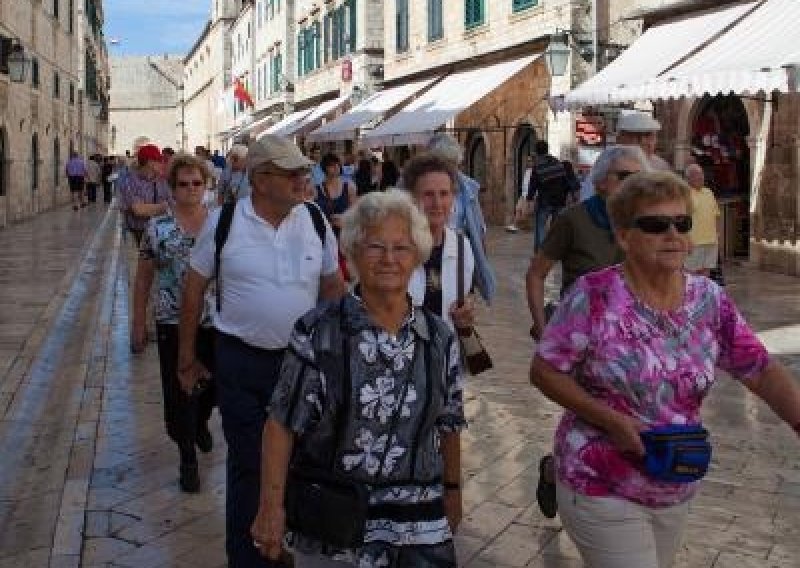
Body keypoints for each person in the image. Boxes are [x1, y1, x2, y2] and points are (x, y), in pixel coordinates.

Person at [530, 170, 800, 568]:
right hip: (600, 478)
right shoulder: (595, 295)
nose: (672, 234)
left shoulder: (708, 300)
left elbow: (759, 369)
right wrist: (611, 421)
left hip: (674, 479)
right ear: (624, 237)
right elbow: (544, 371)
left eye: (681, 223)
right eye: (656, 225)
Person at [251, 189, 466, 567]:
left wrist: (453, 489)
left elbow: (449, 423)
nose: (388, 259)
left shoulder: (439, 337)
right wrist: (271, 507)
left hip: (419, 524)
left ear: (417, 256)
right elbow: (282, 423)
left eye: (401, 248)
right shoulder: (319, 331)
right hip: (335, 520)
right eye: (375, 246)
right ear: (352, 252)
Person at [178, 134, 346, 567]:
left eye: (303, 171)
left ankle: (283, 540)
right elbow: (193, 290)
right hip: (242, 361)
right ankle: (247, 556)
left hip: (302, 363)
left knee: (299, 459)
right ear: (261, 179)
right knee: (250, 462)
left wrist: (338, 352)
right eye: (292, 172)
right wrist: (187, 359)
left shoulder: (314, 220)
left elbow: (332, 287)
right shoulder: (225, 223)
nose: (302, 178)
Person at [526, 145, 649, 519]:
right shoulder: (573, 221)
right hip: (581, 342)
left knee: (611, 418)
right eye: (624, 176)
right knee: (595, 415)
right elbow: (536, 274)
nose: (633, 184)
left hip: (630, 343)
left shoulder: (642, 225)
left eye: (638, 177)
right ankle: (571, 478)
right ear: (601, 181)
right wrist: (544, 329)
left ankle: (560, 470)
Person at [132, 153, 216, 493]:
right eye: (183, 184)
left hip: (213, 320)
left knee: (212, 386)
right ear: (172, 188)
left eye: (197, 183)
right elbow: (143, 278)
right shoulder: (158, 228)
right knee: (180, 391)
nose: (191, 189)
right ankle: (187, 460)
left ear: (205, 185)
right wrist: (138, 322)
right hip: (171, 321)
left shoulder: (219, 224)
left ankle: (201, 422)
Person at [403, 153, 475, 333]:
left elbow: (464, 297)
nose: (437, 203)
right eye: (428, 194)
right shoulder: (394, 250)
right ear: (411, 198)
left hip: (447, 349)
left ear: (453, 198)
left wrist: (465, 313)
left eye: (444, 194)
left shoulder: (462, 247)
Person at [425, 133, 496, 305]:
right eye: (447, 165)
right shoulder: (415, 185)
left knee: (460, 306)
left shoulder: (467, 188)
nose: (453, 171)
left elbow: (478, 230)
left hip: (459, 257)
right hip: (429, 256)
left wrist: (481, 263)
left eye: (455, 164)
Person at [526, 140, 578, 251]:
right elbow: (565, 180)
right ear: (547, 149)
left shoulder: (538, 166)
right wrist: (570, 195)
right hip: (560, 200)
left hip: (545, 201)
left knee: (540, 226)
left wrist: (529, 199)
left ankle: (541, 251)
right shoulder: (557, 162)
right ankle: (553, 251)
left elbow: (533, 184)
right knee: (555, 228)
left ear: (536, 151)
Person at [117, 144, 172, 246]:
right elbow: (139, 210)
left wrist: (152, 208)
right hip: (138, 234)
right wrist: (166, 207)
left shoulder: (162, 180)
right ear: (150, 162)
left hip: (161, 231)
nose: (161, 163)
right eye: (158, 161)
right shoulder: (130, 181)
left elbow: (175, 205)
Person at [684, 164, 720, 277]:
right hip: (694, 242)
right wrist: (685, 239)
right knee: (691, 274)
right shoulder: (685, 194)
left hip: (711, 241)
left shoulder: (709, 192)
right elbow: (682, 219)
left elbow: (716, 215)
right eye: (696, 174)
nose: (700, 177)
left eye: (701, 173)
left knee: (706, 274)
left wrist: (717, 235)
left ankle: (702, 290)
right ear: (688, 178)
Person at [314, 153, 356, 236]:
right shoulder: (316, 190)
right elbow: (313, 216)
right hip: (325, 235)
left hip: (344, 234)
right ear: (325, 168)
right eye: (332, 165)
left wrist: (344, 218)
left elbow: (354, 213)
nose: (336, 167)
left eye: (338, 164)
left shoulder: (349, 187)